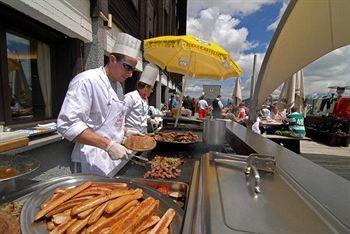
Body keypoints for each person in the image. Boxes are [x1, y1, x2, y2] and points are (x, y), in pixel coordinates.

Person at [57, 33, 141, 176]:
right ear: (112, 59)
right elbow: (67, 124)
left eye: (133, 69)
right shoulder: (87, 80)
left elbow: (108, 121)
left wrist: (126, 131)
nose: (130, 74)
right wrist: (108, 145)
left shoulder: (118, 87)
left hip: (115, 156)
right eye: (127, 67)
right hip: (91, 158)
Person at [124, 63, 159, 134]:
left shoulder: (146, 99)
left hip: (143, 134)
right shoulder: (130, 97)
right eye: (151, 89)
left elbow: (142, 115)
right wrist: (126, 130)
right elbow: (120, 116)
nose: (152, 91)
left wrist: (150, 120)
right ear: (146, 87)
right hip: (131, 135)